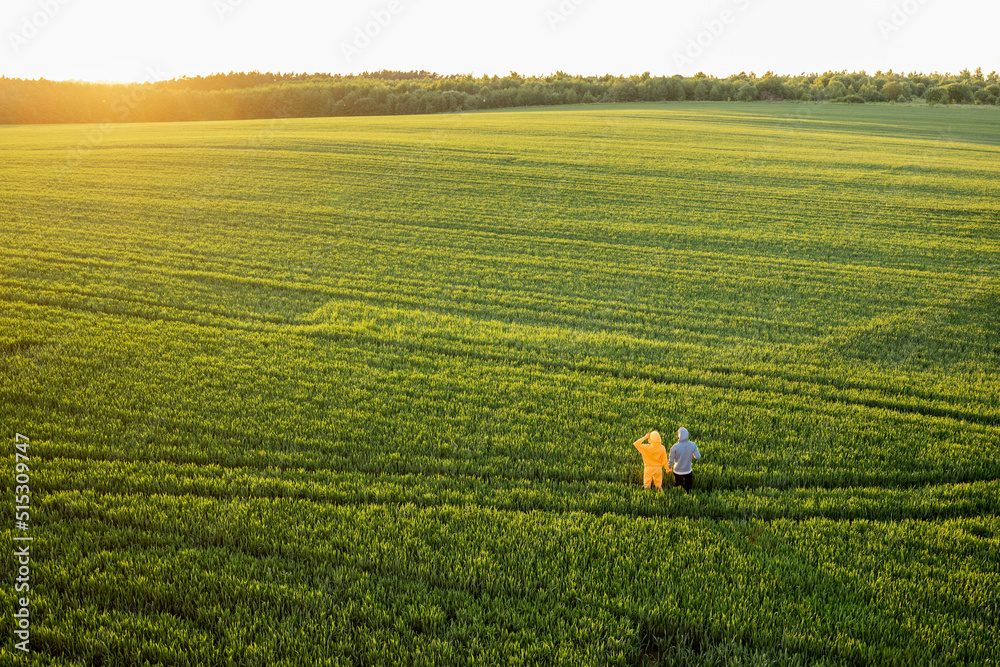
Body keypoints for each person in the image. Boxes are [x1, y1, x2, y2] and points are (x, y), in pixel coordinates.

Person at [668, 427, 701, 493]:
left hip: (677, 471)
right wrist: (692, 456)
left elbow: (671, 460)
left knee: (677, 489)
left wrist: (668, 468)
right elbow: (698, 456)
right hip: (688, 471)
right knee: (689, 489)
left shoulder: (674, 447)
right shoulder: (693, 445)